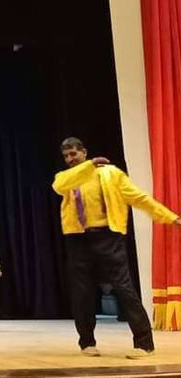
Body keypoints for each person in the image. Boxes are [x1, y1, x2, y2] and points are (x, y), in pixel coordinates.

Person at [52, 137, 181, 359]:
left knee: (124, 287)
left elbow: (139, 197)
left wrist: (170, 217)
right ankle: (87, 342)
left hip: (108, 236)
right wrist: (89, 165)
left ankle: (144, 343)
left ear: (84, 151)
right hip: (78, 238)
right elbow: (59, 186)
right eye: (66, 156)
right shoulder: (67, 177)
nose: (70, 159)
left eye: (73, 154)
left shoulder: (110, 173)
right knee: (82, 292)